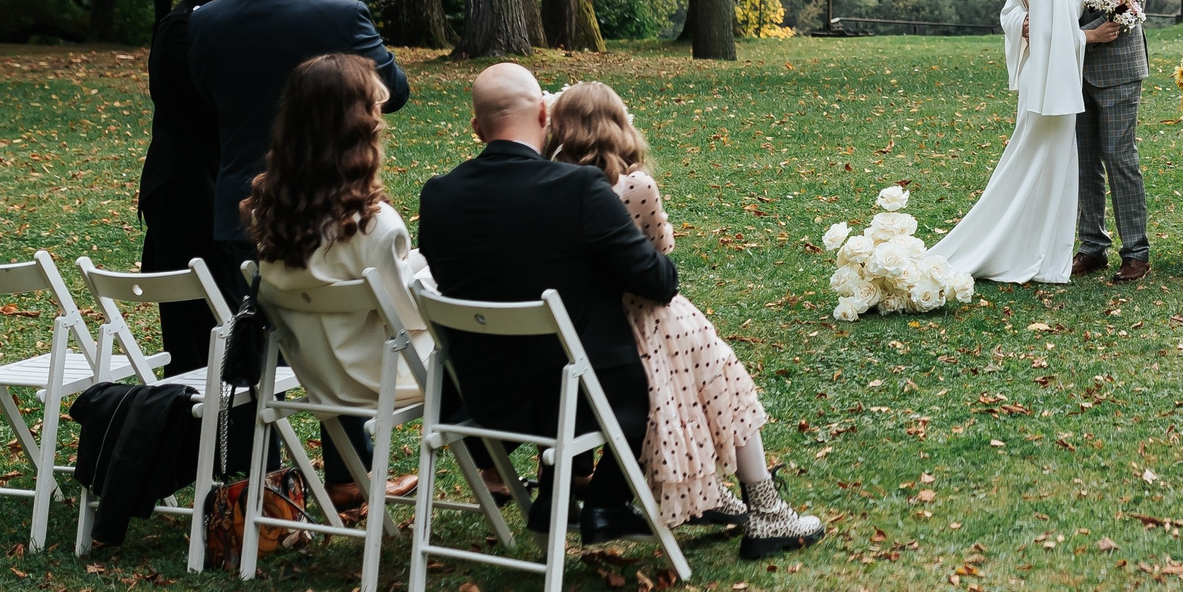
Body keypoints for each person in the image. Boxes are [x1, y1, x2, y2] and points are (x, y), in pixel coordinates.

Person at [544, 81, 824, 556]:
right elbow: (660, 251)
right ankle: (767, 511)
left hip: (587, 324)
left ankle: (727, 497)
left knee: (712, 392)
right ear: (616, 126)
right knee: (729, 389)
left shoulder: (547, 183)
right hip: (650, 319)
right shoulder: (633, 185)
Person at [415, 64, 677, 546]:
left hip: (479, 399)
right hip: (575, 398)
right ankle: (606, 503)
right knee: (653, 357)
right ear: (544, 114)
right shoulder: (578, 189)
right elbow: (660, 281)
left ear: (477, 129)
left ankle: (566, 499)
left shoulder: (438, 195)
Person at [240, 53, 428, 513]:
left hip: (318, 374)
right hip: (379, 379)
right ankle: (494, 472)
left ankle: (348, 478)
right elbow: (408, 315)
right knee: (470, 337)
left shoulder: (265, 209)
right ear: (360, 130)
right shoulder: (373, 223)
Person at [189, 0, 410, 278]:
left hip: (237, 209)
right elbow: (394, 92)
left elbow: (205, 99)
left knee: (248, 329)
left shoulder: (205, 21)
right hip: (324, 206)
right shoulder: (342, 15)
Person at [928, 0, 1089, 284]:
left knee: (1035, 160)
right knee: (1047, 166)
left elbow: (1015, 14)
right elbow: (1052, 33)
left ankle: (1031, 243)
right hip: (1053, 81)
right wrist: (1093, 36)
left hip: (1042, 73)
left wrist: (1025, 24)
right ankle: (1036, 254)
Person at [136, 0, 251, 371]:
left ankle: (234, 438)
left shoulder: (225, 24)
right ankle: (194, 436)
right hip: (189, 195)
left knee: (232, 323)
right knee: (197, 334)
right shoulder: (182, 29)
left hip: (219, 187)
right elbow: (212, 112)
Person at [1055, 0, 1152, 283]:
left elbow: (1132, 6)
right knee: (1083, 162)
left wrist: (1079, 36)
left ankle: (1137, 252)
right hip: (1073, 67)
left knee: (1119, 158)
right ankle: (1091, 247)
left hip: (1117, 69)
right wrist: (1070, 41)